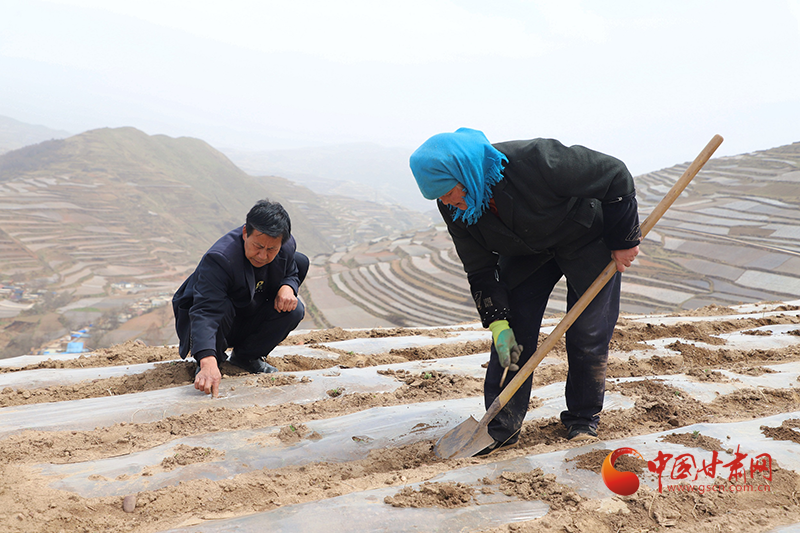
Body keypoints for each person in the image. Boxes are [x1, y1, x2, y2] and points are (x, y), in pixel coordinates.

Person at [409, 128, 641, 455]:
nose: (446, 202)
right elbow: (478, 266)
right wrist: (498, 324)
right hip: (524, 252)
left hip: (583, 237)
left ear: (465, 173)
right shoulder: (456, 207)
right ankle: (502, 426)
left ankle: (582, 418)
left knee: (589, 332)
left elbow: (614, 175)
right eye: (440, 198)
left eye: (448, 192)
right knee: (513, 335)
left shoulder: (536, 161)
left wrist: (625, 240)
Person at [172, 199, 309, 397]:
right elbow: (206, 311)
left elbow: (292, 269)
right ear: (246, 233)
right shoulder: (220, 259)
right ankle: (214, 360)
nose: (262, 255)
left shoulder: (286, 246)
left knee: (294, 309)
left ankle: (246, 357)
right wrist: (206, 359)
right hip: (218, 319)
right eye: (258, 246)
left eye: (271, 250)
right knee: (223, 307)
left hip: (248, 311)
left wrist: (288, 286)